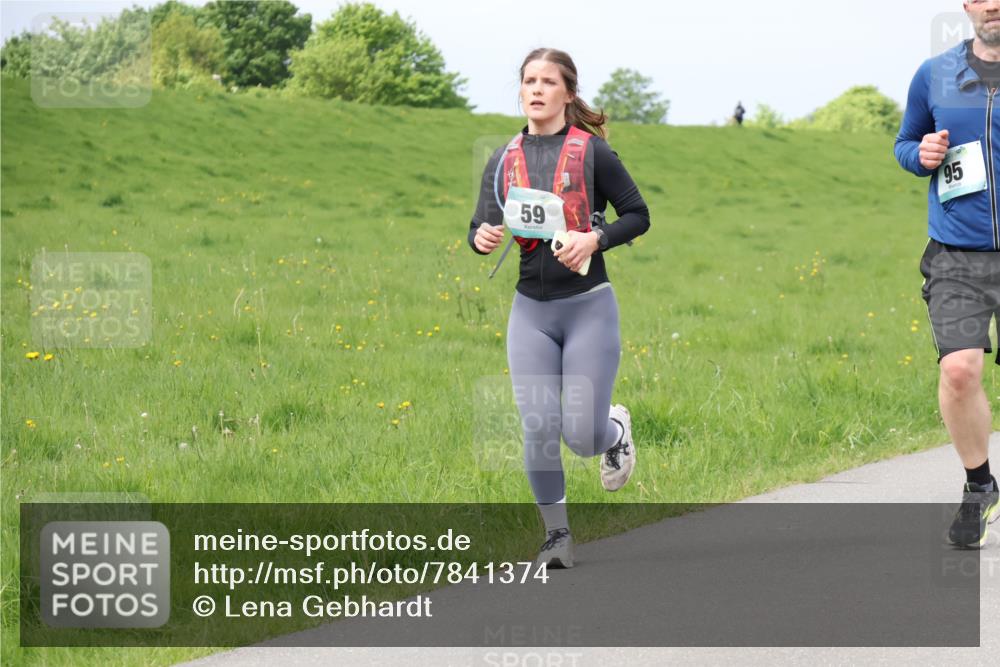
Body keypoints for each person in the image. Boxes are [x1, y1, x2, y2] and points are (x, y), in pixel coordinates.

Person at [467, 48, 651, 567]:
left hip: (588, 306)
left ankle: (614, 431)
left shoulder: (593, 153)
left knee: (582, 436)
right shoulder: (504, 158)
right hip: (531, 311)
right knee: (539, 425)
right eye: (529, 81)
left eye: (548, 81)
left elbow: (638, 215)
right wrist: (480, 237)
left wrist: (595, 240)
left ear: (568, 93)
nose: (537, 89)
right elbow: (481, 225)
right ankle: (557, 536)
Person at [894, 0, 1000, 548]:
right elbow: (905, 144)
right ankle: (980, 485)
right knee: (959, 372)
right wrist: (922, 155)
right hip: (958, 252)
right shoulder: (933, 74)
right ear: (967, 5)